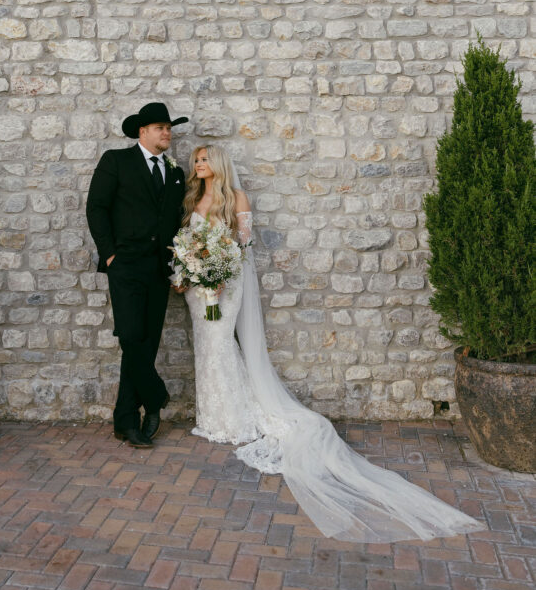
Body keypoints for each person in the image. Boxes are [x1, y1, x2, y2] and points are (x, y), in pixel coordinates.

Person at [174, 143, 483, 543]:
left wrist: (218, 269)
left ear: (216, 164)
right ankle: (212, 416)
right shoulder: (195, 198)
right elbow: (189, 242)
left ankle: (232, 418)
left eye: (203, 160)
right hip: (199, 290)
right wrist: (191, 270)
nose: (198, 165)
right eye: (195, 161)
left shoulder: (237, 198)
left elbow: (244, 247)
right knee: (207, 346)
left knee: (219, 345)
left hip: (226, 284)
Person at [86, 102, 187, 449]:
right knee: (130, 336)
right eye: (160, 127)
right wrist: (110, 254)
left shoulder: (176, 171)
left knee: (146, 343)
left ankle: (125, 420)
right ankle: (155, 396)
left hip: (159, 270)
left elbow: (173, 219)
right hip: (126, 265)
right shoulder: (116, 161)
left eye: (169, 127)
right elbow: (96, 207)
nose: (167, 132)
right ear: (142, 131)